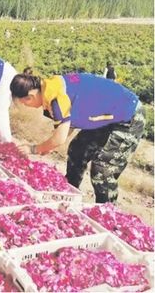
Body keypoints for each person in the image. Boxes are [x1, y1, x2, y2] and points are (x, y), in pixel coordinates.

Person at [10, 72, 145, 203]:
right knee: (78, 150)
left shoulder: (56, 97)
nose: (25, 106)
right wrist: (48, 147)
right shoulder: (50, 87)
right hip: (108, 114)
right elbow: (67, 125)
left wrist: (33, 149)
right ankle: (69, 193)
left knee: (102, 170)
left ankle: (107, 211)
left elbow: (60, 138)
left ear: (30, 96)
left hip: (127, 114)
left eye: (23, 102)